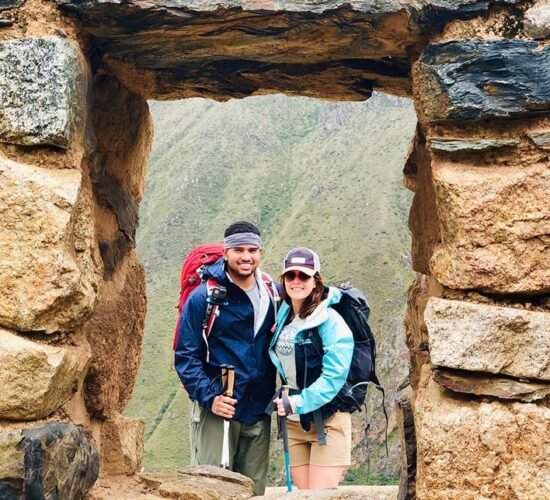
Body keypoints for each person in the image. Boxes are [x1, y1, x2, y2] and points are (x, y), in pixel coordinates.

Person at [174, 221, 278, 495]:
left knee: (253, 489)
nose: (246, 257)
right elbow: (186, 356)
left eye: (252, 250)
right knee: (212, 489)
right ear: (226, 252)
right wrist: (210, 397)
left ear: (260, 252)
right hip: (219, 408)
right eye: (239, 250)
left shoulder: (272, 293)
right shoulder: (204, 298)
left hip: (258, 409)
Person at [270, 247, 354, 490]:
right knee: (302, 495)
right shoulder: (284, 314)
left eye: (303, 276)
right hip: (294, 421)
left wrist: (297, 402)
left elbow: (334, 377)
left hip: (327, 418)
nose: (296, 281)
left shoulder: (330, 321)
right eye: (290, 275)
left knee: (318, 495)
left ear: (316, 281)